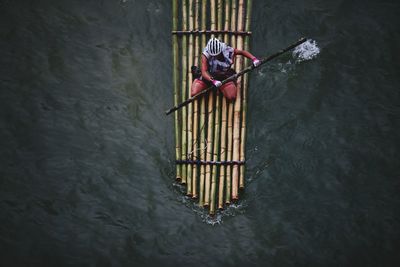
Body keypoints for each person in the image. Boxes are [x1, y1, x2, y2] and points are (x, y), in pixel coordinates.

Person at [190, 37, 261, 101]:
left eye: (217, 54)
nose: (215, 56)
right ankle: (199, 80)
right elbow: (204, 72)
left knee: (232, 97)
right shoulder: (205, 54)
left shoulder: (227, 49)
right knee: (194, 94)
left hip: (223, 76)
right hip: (209, 76)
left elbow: (242, 52)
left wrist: (254, 59)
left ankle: (223, 87)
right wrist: (213, 81)